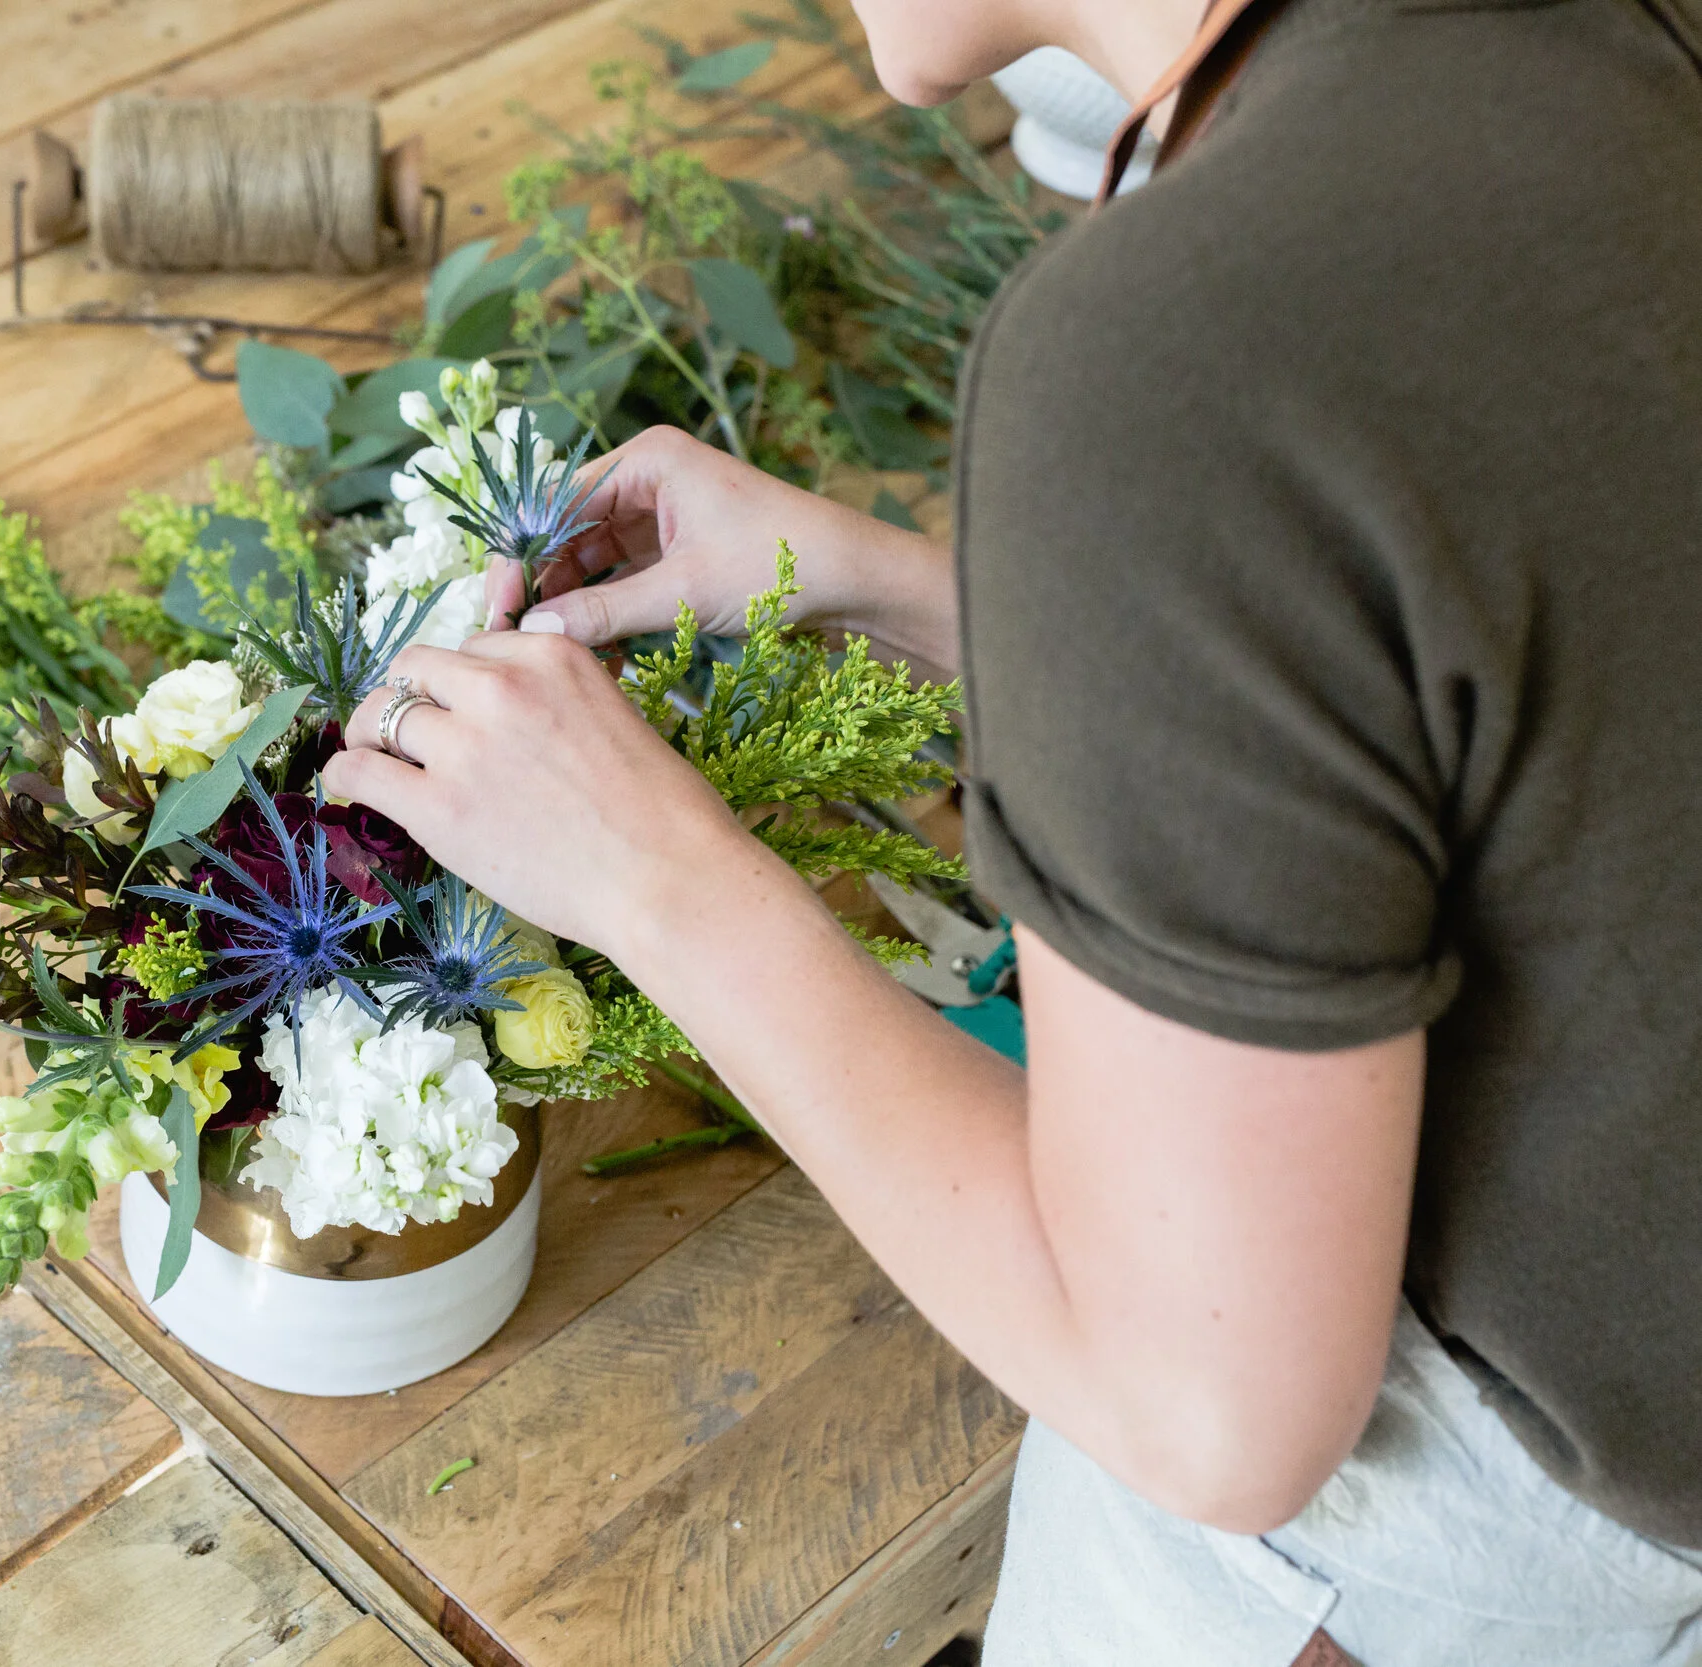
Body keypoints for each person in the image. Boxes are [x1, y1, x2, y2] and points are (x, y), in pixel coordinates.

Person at [323, 0, 1702, 1661]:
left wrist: (653, 877)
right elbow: (1529, 660)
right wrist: (934, 591)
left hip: (1534, 1512)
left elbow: (1207, 1406)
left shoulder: (1169, 351)